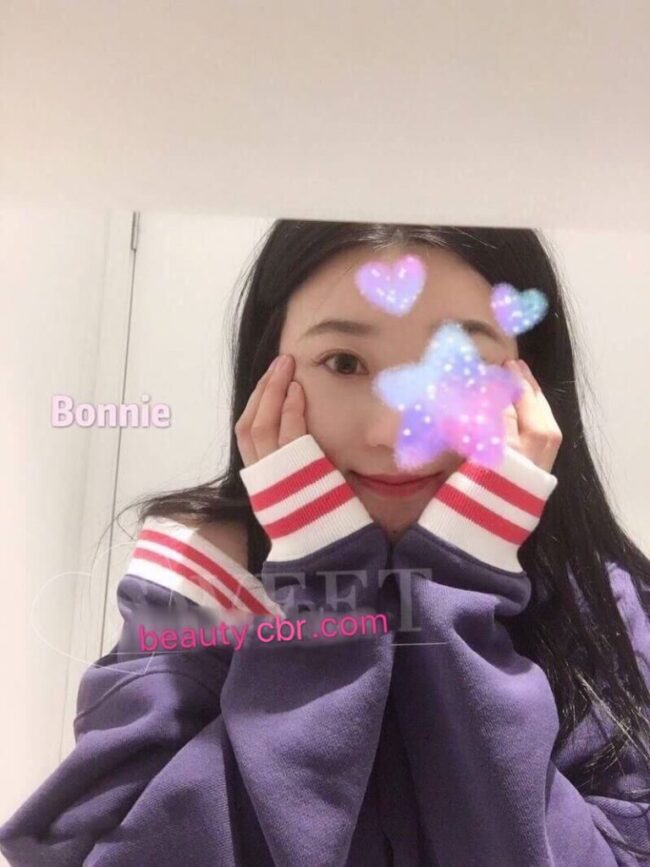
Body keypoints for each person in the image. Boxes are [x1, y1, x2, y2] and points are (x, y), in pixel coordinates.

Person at [1, 221, 649, 866]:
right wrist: (323, 590)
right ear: (268, 373)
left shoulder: (602, 601)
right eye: (344, 363)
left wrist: (458, 588)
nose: (393, 431)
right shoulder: (206, 574)